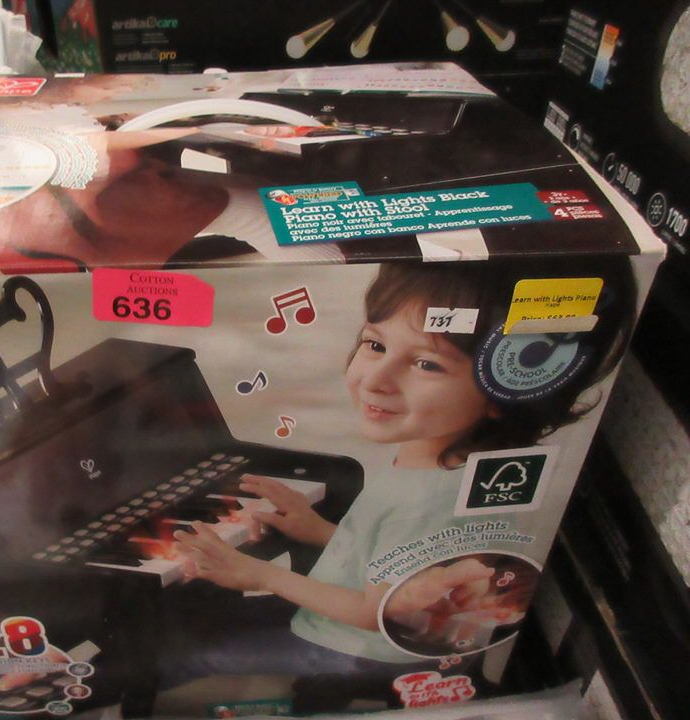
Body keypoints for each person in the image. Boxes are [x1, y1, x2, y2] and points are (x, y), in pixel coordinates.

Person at [171, 256, 635, 679]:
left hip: (355, 650)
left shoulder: (433, 498)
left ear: (509, 391)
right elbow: (394, 566)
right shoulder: (434, 464)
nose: (376, 380)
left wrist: (260, 575)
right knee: (205, 617)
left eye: (427, 364)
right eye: (375, 344)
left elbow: (376, 612)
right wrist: (315, 529)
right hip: (345, 627)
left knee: (190, 648)